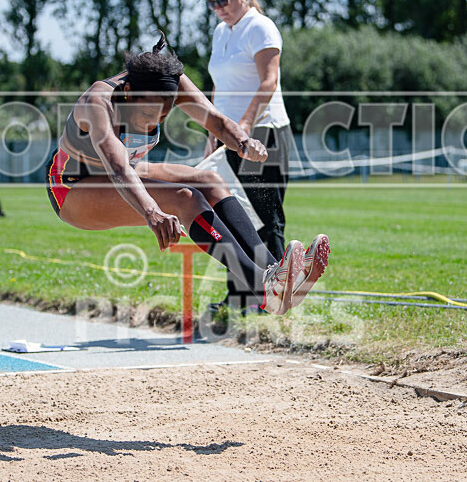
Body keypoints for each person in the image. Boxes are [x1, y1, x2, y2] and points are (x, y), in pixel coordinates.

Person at [45, 31, 329, 314]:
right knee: (184, 198)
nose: (153, 123)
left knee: (210, 180)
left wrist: (244, 143)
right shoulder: (99, 102)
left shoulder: (172, 82)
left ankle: (275, 273)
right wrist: (151, 210)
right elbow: (118, 168)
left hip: (124, 173)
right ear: (128, 93)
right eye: (146, 115)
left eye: (162, 117)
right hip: (72, 188)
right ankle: (261, 287)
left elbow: (216, 121)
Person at [201, 0, 301, 311]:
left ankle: (275, 299)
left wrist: (242, 128)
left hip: (264, 134)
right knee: (237, 216)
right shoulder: (220, 31)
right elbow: (219, 87)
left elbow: (268, 82)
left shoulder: (260, 27)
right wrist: (214, 133)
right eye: (211, 3)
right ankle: (241, 295)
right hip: (231, 137)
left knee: (266, 217)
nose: (217, 7)